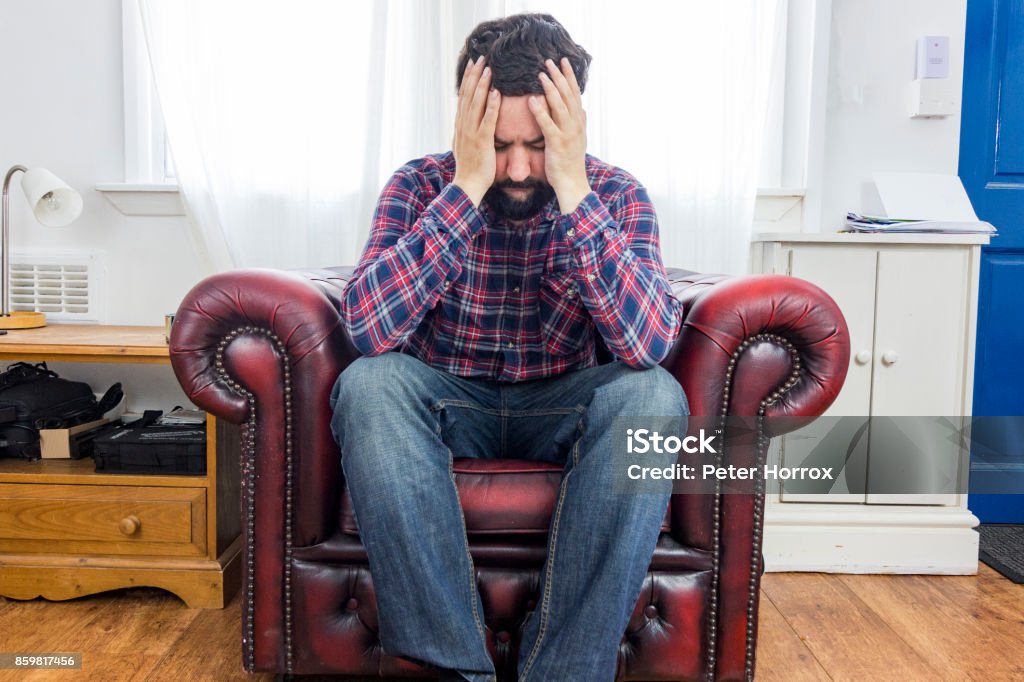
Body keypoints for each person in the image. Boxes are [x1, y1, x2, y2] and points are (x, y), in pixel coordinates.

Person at [330, 13, 687, 682]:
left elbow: (649, 344)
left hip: (563, 407)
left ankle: (562, 673)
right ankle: (455, 669)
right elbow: (368, 332)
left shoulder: (614, 193)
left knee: (653, 398)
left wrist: (574, 187)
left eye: (539, 144)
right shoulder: (418, 186)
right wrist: (465, 188)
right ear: (466, 127)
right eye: (497, 145)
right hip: (446, 400)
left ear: (571, 126)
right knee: (370, 385)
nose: (519, 169)